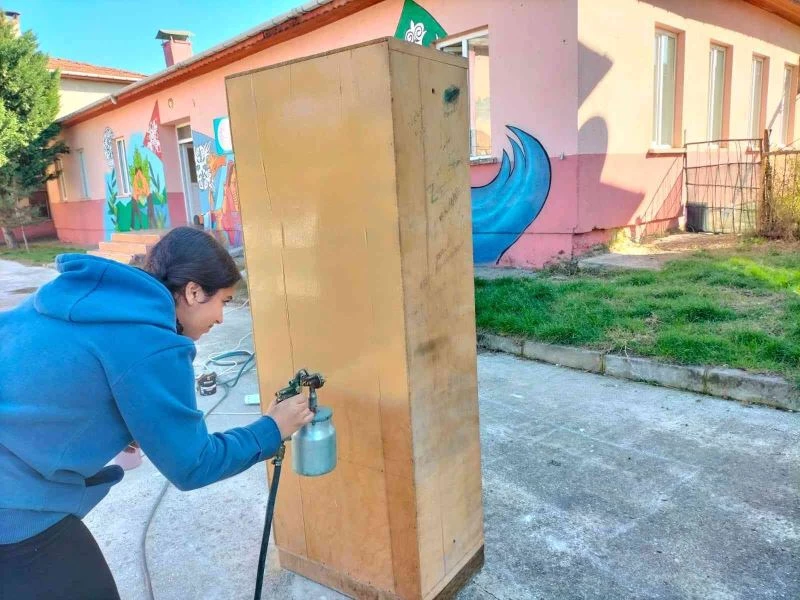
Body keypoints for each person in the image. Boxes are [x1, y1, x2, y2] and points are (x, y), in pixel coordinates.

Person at [0, 227, 313, 599]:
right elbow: (194, 464)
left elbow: (47, 378)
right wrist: (272, 428)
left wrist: (116, 420)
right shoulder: (153, 342)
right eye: (224, 302)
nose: (222, 319)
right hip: (15, 507)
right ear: (194, 292)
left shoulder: (68, 300)